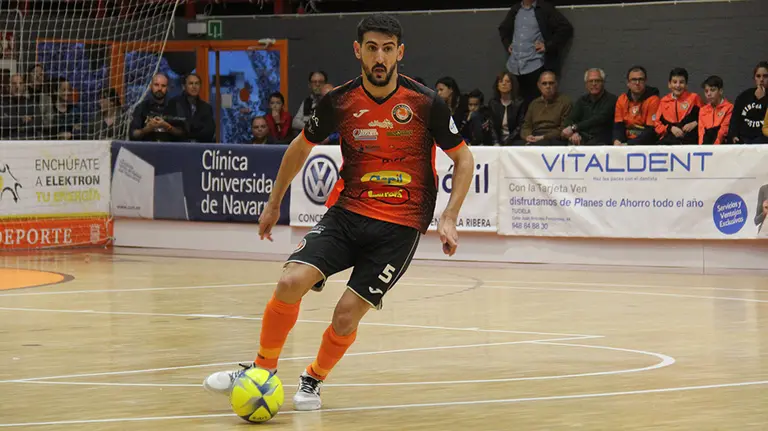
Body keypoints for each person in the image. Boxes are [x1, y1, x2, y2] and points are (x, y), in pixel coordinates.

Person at [203, 13, 474, 412]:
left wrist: (449, 217)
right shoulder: (339, 101)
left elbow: (464, 160)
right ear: (358, 51)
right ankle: (260, 371)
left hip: (399, 229)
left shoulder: (425, 103)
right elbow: (299, 148)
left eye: (386, 48)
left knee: (346, 315)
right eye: (371, 48)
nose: (379, 57)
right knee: (291, 281)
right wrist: (274, 201)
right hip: (348, 213)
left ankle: (312, 379)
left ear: (399, 52)